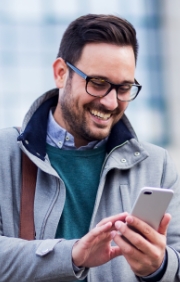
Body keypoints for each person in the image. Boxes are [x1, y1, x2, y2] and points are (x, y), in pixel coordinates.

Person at [0, 13, 180, 282]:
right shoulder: (5, 154)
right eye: (98, 83)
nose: (110, 102)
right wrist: (72, 255)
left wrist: (159, 266)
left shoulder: (158, 165)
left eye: (123, 87)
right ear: (61, 73)